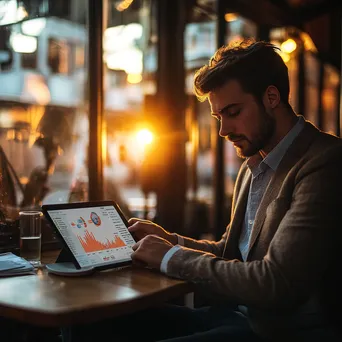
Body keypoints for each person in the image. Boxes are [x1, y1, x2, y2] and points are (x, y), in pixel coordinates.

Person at [64, 39, 342, 342]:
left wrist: (170, 256)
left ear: (271, 97)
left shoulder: (324, 162)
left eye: (233, 112)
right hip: (235, 316)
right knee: (85, 326)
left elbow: (277, 283)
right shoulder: (255, 164)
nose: (223, 131)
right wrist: (170, 240)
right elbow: (229, 253)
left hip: (279, 332)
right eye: (218, 117)